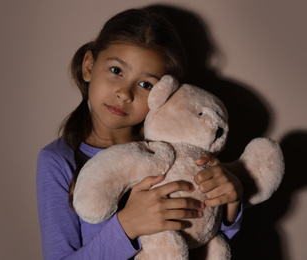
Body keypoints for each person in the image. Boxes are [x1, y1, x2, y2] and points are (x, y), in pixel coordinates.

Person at [37, 8, 243, 259]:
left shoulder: (175, 151)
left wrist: (230, 203)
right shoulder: (57, 161)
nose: (125, 93)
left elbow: (204, 239)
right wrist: (127, 225)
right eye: (116, 70)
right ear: (89, 66)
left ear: (163, 94)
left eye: (146, 84)